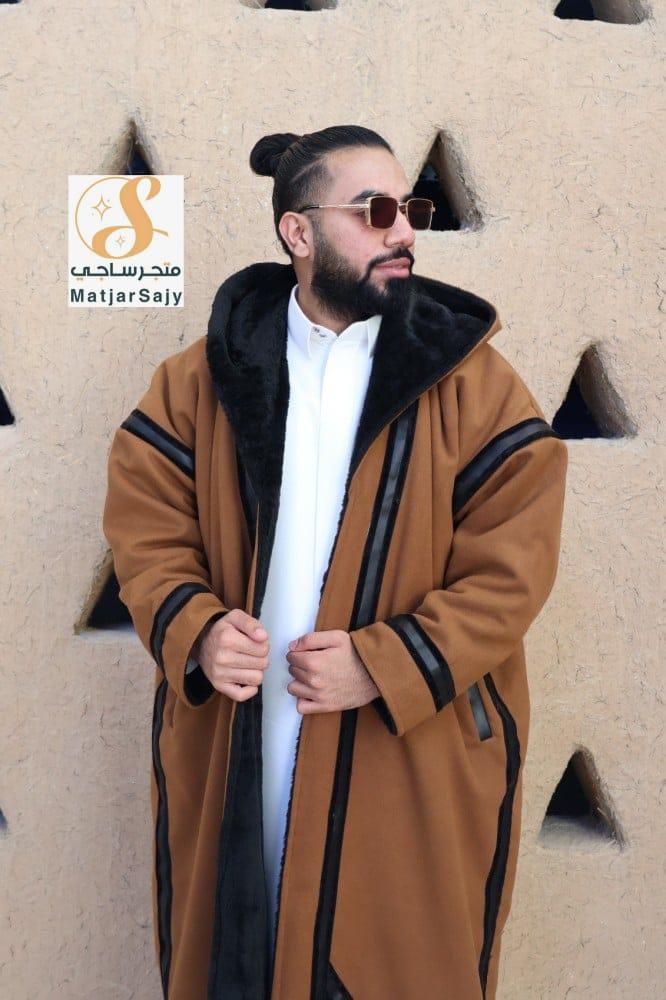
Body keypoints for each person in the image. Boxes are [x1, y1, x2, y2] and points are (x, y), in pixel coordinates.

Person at [102, 124, 568, 999]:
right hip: (240, 737)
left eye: (411, 209)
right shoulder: (201, 380)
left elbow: (511, 567)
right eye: (375, 211)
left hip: (404, 752)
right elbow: (145, 526)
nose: (404, 231)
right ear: (299, 232)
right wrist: (198, 632)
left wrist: (383, 663)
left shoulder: (474, 384)